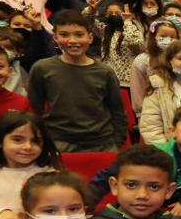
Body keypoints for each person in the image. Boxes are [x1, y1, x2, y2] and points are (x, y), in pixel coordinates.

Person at [88, 105, 181, 217]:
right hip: (138, 210)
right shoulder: (152, 153)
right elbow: (109, 174)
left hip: (174, 217)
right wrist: (87, 204)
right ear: (172, 131)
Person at [27, 9, 127, 152]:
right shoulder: (42, 68)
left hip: (101, 143)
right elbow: (35, 110)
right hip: (59, 142)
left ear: (90, 38)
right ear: (55, 38)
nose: (72, 40)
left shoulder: (105, 72)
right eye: (64, 35)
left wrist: (116, 142)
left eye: (79, 35)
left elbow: (118, 112)